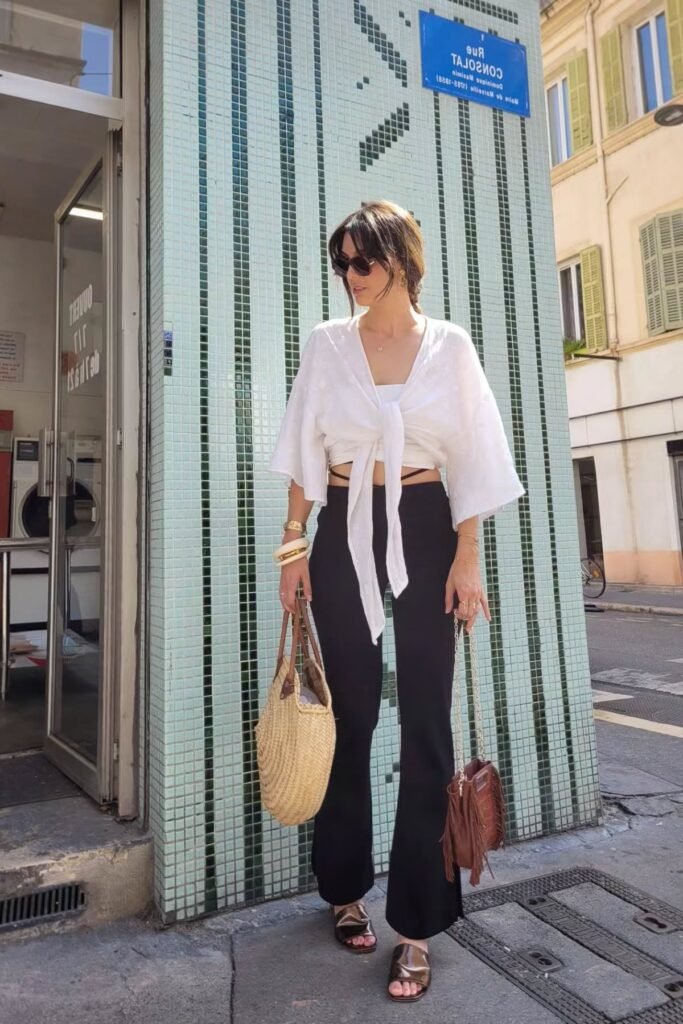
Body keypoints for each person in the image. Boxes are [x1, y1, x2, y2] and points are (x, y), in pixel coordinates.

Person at [269, 199, 523, 1003]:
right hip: (342, 524)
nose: (349, 277)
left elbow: (474, 454)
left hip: (420, 523)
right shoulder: (327, 344)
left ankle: (416, 925)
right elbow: (303, 447)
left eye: (361, 263)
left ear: (401, 263)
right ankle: (343, 886)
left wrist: (468, 558)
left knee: (425, 721)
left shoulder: (447, 347)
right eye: (340, 263)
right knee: (348, 716)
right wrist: (291, 548)